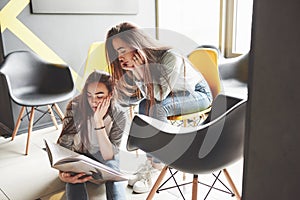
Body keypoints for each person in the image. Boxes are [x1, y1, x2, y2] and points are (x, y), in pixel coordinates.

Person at [105, 22, 213, 193]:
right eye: (117, 53)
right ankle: (150, 162)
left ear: (136, 45)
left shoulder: (170, 56)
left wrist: (139, 69)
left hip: (199, 94)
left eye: (122, 51)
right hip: (173, 95)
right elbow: (148, 96)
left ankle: (157, 164)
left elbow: (159, 95)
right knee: (144, 105)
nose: (120, 58)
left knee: (158, 108)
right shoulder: (142, 62)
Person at [57, 70, 127, 200]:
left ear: (110, 94)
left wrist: (98, 121)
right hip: (79, 155)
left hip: (105, 156)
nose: (93, 101)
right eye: (89, 96)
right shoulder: (75, 107)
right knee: (74, 180)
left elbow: (108, 155)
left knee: (114, 175)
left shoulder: (119, 114)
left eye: (100, 96)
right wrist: (62, 173)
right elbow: (63, 146)